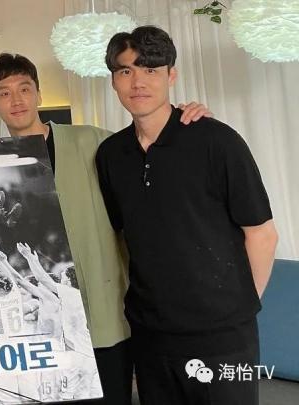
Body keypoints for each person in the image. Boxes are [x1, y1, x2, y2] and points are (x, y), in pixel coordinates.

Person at [0, 52, 212, 404]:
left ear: (39, 95)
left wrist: (184, 122)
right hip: (42, 320)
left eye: (25, 89)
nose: (16, 100)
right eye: (4, 92)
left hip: (103, 308)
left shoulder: (89, 141)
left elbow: (150, 148)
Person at [96, 25, 278, 405]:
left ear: (171, 76)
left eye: (151, 69)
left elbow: (262, 233)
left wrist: (240, 309)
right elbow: (124, 236)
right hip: (151, 336)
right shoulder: (111, 154)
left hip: (224, 339)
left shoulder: (217, 141)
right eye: (126, 70)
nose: (138, 81)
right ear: (113, 80)